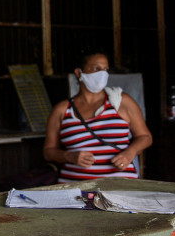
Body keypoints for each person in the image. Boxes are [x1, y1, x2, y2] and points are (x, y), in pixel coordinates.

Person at [43, 50, 152, 182]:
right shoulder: (62, 110)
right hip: (75, 189)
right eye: (96, 69)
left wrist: (130, 152)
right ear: (79, 73)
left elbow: (145, 137)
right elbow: (48, 152)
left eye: (105, 69)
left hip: (121, 188)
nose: (103, 74)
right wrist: (68, 156)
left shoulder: (121, 102)